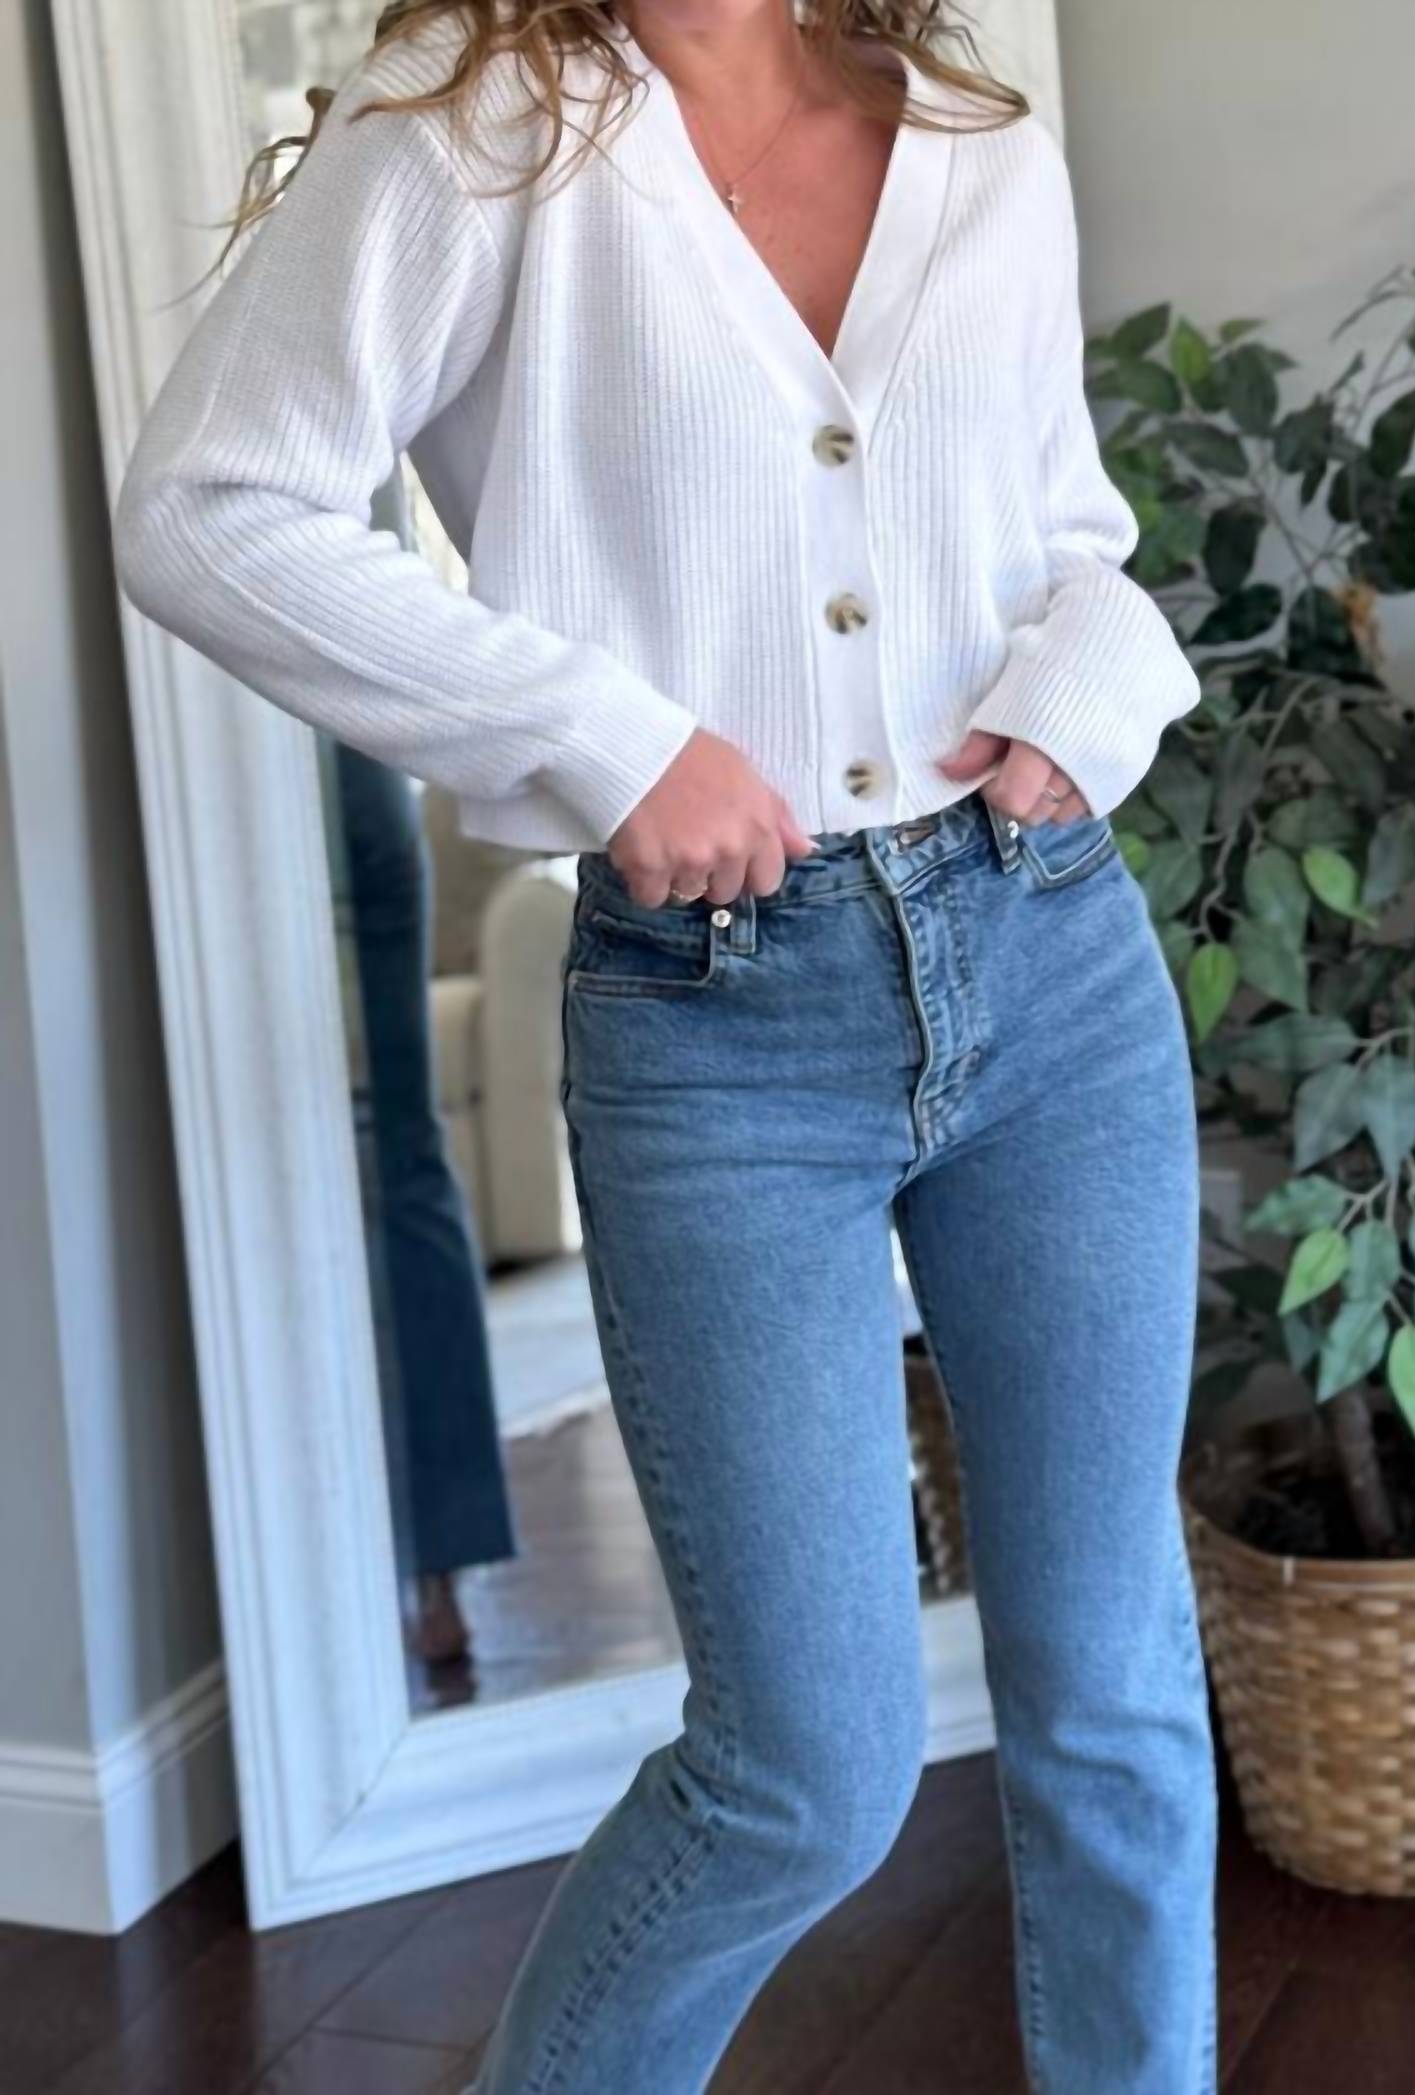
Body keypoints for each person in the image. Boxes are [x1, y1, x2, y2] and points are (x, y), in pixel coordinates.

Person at [110, 2, 1219, 2089]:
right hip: (720, 1022)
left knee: (1119, 1688)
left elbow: (1070, 533)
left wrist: (1084, 702)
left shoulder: (969, 121)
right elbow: (213, 503)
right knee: (808, 1764)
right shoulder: (476, 126)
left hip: (1052, 955)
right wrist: (611, 743)